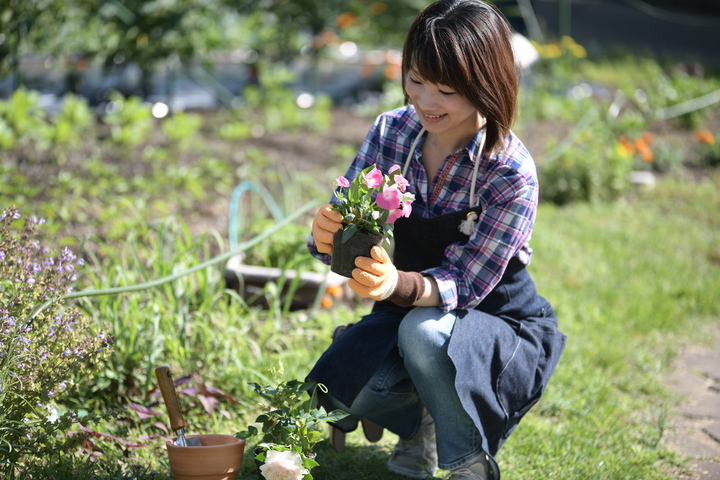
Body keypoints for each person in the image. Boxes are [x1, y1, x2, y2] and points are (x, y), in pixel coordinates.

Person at [306, 1, 566, 479]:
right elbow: (351, 228)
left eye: (446, 89)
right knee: (345, 389)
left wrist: (394, 287)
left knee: (422, 333)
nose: (425, 101)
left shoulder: (509, 171)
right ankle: (420, 427)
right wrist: (329, 237)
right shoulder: (392, 131)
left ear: (488, 86)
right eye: (415, 80)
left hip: (492, 320)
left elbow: (465, 285)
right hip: (403, 306)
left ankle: (469, 461)